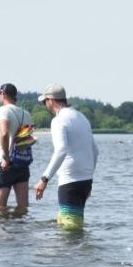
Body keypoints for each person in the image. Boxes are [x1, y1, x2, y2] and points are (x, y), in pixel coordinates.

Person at [33, 84, 98, 229]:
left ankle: (74, 251)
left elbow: (61, 150)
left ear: (51, 100)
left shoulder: (59, 120)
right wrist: (89, 179)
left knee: (70, 229)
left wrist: (44, 179)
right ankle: (74, 251)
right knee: (67, 221)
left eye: (45, 102)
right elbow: (95, 150)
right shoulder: (81, 117)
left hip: (70, 181)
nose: (45, 106)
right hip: (85, 181)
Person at [0, 83, 34, 213]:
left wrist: (6, 157)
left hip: (5, 163)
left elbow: (4, 133)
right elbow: (27, 139)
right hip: (22, 162)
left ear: (3, 95)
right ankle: (19, 233)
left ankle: (3, 233)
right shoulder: (26, 114)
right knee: (22, 208)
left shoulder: (1, 111)